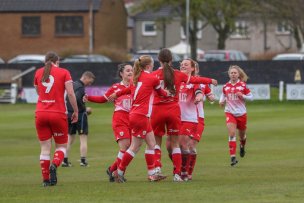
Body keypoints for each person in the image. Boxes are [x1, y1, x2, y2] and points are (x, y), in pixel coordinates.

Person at [150, 48, 218, 181]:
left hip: (189, 117)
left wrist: (202, 95)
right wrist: (210, 80)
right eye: (181, 64)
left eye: (186, 65)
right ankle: (178, 171)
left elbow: (198, 88)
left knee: (183, 145)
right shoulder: (178, 77)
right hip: (175, 114)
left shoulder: (187, 79)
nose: (183, 66)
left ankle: (183, 172)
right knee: (171, 146)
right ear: (171, 61)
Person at [112, 55, 169, 183]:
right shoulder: (152, 78)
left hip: (137, 114)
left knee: (151, 143)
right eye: (152, 64)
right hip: (141, 115)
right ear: (149, 66)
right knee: (134, 147)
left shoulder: (135, 78)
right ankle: (119, 172)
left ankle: (152, 173)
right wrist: (169, 93)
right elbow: (161, 93)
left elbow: (127, 89)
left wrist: (117, 93)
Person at [34, 51, 78, 187]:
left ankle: (46, 180)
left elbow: (38, 92)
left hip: (41, 113)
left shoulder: (38, 72)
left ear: (45, 61)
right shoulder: (64, 72)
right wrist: (76, 110)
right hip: (58, 113)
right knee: (61, 146)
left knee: (45, 148)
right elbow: (70, 93)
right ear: (57, 61)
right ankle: (54, 165)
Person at [83, 63, 133, 182]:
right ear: (121, 74)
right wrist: (88, 97)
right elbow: (103, 99)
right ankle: (118, 174)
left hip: (133, 119)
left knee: (129, 149)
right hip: (120, 118)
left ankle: (112, 170)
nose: (131, 72)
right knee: (124, 146)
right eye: (127, 70)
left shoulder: (135, 86)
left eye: (132, 70)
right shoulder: (116, 87)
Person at [219, 65, 253, 166]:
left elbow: (251, 97)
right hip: (230, 112)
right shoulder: (226, 86)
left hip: (241, 113)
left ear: (238, 75)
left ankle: (242, 146)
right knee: (232, 133)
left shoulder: (243, 85)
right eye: (231, 73)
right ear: (229, 74)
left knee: (242, 136)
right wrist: (221, 101)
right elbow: (223, 95)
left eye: (235, 73)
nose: (233, 74)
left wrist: (243, 96)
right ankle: (232, 157)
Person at [187, 61, 215, 180]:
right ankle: (181, 170)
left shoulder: (203, 84)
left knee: (191, 146)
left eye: (197, 68)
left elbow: (211, 96)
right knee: (181, 146)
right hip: (185, 118)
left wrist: (211, 97)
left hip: (199, 119)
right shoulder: (183, 81)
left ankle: (189, 172)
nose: (196, 70)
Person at [62, 71, 95, 167]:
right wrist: (85, 109)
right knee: (83, 137)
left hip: (69, 114)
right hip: (79, 115)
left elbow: (68, 97)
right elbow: (76, 98)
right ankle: (83, 161)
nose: (90, 83)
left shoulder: (72, 84)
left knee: (69, 138)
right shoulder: (80, 87)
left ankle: (65, 160)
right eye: (90, 81)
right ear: (86, 77)